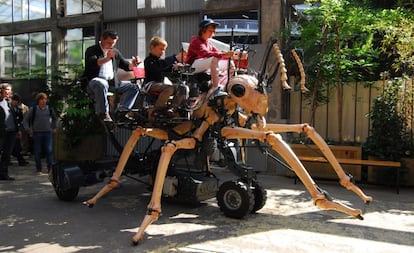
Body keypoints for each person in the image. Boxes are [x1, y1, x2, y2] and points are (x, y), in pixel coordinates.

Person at [82, 30, 141, 122]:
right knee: (101, 83)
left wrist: (134, 64)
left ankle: (123, 111)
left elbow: (125, 66)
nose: (111, 45)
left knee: (134, 87)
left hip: (112, 83)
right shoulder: (92, 50)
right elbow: (92, 63)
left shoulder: (115, 52)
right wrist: (107, 58)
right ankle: (103, 113)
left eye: (113, 43)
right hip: (94, 81)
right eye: (109, 42)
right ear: (102, 39)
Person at [186, 18, 234, 94]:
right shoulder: (196, 40)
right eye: (210, 31)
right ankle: (215, 87)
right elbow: (205, 53)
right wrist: (224, 54)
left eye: (213, 31)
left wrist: (231, 55)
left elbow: (217, 52)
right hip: (191, 67)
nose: (212, 33)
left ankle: (228, 85)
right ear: (203, 30)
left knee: (230, 62)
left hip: (203, 66)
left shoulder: (208, 43)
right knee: (214, 59)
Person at [143, 36, 186, 116]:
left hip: (160, 85)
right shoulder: (148, 60)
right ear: (152, 47)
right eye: (160, 49)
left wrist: (176, 68)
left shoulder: (162, 61)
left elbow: (168, 70)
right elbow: (157, 70)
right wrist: (171, 67)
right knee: (169, 88)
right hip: (150, 84)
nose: (162, 52)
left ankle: (173, 108)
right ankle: (157, 109)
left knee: (182, 87)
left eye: (164, 50)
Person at [23, 93, 57, 174]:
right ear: (38, 101)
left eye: (45, 99)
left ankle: (50, 169)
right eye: (41, 99)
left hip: (48, 132)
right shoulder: (34, 109)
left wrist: (55, 128)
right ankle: (39, 169)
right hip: (37, 133)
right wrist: (28, 129)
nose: (43, 101)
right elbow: (25, 120)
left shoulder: (49, 109)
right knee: (37, 151)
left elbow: (55, 119)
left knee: (49, 151)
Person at [0, 83, 20, 180]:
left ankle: (4, 173)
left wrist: (17, 129)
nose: (9, 92)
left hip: (11, 131)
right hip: (2, 132)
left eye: (10, 90)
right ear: (1, 90)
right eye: (7, 89)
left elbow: (14, 116)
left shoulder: (9, 102)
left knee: (7, 154)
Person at [10, 94, 29, 166]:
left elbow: (20, 119)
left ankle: (20, 160)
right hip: (9, 129)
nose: (16, 103)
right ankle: (20, 160)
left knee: (16, 145)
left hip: (15, 129)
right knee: (14, 146)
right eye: (15, 101)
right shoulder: (9, 107)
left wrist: (18, 130)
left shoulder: (17, 109)